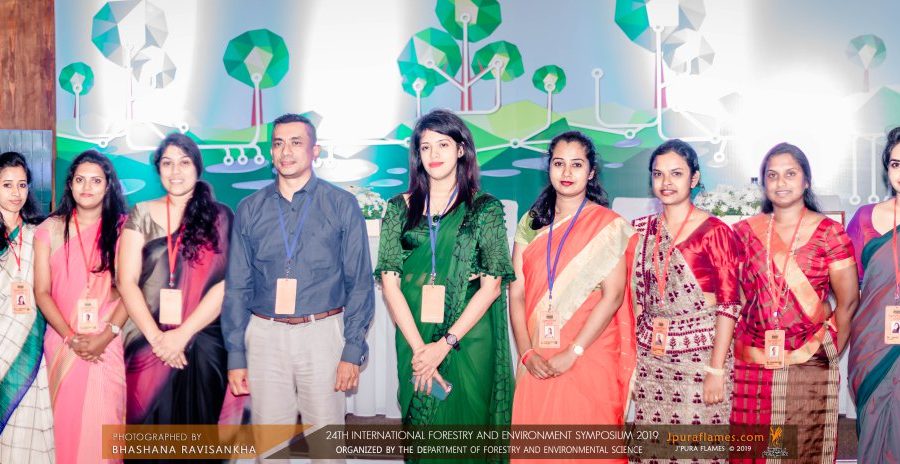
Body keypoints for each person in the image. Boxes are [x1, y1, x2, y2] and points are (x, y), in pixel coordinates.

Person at [222, 114, 374, 458]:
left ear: (314, 150)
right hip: (264, 335)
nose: (286, 151)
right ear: (271, 152)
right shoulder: (249, 208)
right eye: (278, 143)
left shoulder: (341, 204)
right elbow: (237, 287)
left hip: (322, 334)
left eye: (295, 142)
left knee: (327, 447)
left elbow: (360, 283)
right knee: (270, 448)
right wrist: (236, 354)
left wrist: (352, 350)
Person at [375, 109, 514, 461]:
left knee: (467, 427)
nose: (434, 154)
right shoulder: (398, 208)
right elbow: (390, 284)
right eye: (426, 147)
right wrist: (422, 351)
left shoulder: (484, 209)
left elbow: (492, 286)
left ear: (461, 149)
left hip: (469, 337)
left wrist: (445, 344)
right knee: (423, 432)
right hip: (415, 334)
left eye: (443, 144)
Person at [509, 131, 634, 464]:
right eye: (558, 163)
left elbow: (613, 295)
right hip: (538, 349)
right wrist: (526, 353)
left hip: (591, 349)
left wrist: (574, 351)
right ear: (549, 168)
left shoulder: (608, 226)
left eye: (577, 165)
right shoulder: (530, 223)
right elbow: (517, 291)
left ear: (591, 172)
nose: (566, 173)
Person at [730, 143, 858, 463]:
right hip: (753, 360)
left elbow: (847, 302)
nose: (781, 182)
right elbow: (739, 298)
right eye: (772, 175)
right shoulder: (744, 232)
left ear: (806, 180)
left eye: (790, 174)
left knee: (799, 448)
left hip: (809, 359)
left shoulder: (830, 233)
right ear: (763, 182)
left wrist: (828, 350)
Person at [118, 133, 244, 428]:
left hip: (203, 342)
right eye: (167, 163)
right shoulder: (141, 213)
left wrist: (182, 335)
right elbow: (126, 281)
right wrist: (158, 340)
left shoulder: (221, 217)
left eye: (184, 162)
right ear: (158, 169)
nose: (175, 171)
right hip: (147, 343)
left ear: (197, 167)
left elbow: (227, 283)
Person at [629, 140, 740, 461]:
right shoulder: (640, 231)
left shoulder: (715, 231)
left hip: (700, 359)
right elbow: (637, 300)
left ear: (694, 178)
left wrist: (716, 369)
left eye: (676, 173)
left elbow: (729, 305)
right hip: (652, 358)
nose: (666, 182)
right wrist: (633, 359)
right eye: (658, 174)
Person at [33, 150, 129, 464]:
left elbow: (131, 291)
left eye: (96, 180)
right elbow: (42, 292)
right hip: (63, 342)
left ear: (108, 185)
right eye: (80, 179)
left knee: (103, 427)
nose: (87, 187)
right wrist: (70, 336)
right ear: (70, 184)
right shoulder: (49, 229)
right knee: (65, 426)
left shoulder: (125, 229)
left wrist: (105, 336)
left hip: (107, 342)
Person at [846, 126, 900, 463]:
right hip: (872, 340)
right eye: (896, 164)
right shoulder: (865, 218)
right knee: (876, 420)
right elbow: (848, 288)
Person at [0, 151, 53, 462]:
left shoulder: (40, 233)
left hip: (30, 348)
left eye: (22, 185)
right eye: (7, 185)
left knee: (27, 430)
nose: (16, 193)